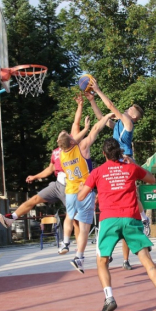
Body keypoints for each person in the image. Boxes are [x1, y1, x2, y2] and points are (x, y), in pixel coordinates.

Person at [77, 138, 156, 311]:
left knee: (102, 261)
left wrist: (82, 187)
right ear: (119, 152)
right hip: (131, 217)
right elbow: (151, 178)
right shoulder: (131, 167)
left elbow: (80, 197)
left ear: (103, 154)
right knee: (145, 259)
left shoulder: (98, 172)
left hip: (109, 219)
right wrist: (133, 163)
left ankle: (109, 298)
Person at [0, 98, 89, 251]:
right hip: (57, 184)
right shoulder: (56, 152)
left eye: (65, 133)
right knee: (34, 199)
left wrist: (80, 105)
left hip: (71, 186)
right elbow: (50, 169)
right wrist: (35, 176)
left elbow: (76, 123)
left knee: (75, 219)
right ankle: (11, 219)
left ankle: (79, 250)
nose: (64, 133)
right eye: (62, 133)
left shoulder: (73, 146)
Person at [85, 80, 150, 233]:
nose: (127, 108)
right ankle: (117, 218)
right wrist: (92, 100)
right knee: (113, 190)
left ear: (133, 116)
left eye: (130, 109)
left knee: (131, 192)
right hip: (115, 158)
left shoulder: (128, 123)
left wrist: (98, 90)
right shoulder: (119, 125)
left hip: (125, 158)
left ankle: (143, 218)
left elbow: (111, 106)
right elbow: (101, 116)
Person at [58, 111, 116, 273]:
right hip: (84, 191)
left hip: (70, 192)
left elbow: (70, 139)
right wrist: (105, 117)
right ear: (71, 140)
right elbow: (97, 129)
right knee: (84, 227)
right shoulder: (81, 147)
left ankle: (65, 242)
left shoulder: (61, 154)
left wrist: (84, 127)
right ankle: (79, 257)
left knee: (69, 217)